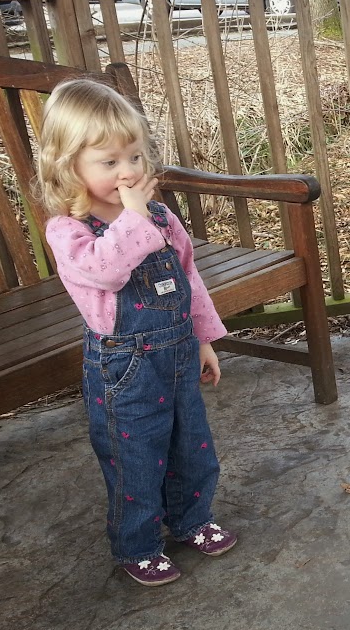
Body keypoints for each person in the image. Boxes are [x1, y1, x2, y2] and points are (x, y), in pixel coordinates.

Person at [36, 78, 237, 587]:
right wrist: (132, 218)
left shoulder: (161, 217)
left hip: (178, 352)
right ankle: (138, 545)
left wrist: (204, 339)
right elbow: (107, 272)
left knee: (192, 446)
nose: (127, 172)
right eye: (109, 162)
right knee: (136, 458)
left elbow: (188, 278)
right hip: (126, 367)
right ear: (69, 166)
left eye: (135, 157)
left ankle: (192, 518)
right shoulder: (70, 230)